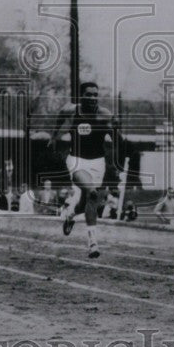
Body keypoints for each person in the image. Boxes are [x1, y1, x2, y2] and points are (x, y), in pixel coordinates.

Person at [49, 82, 117, 259]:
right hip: (76, 161)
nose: (93, 98)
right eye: (89, 94)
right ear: (81, 96)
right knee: (92, 193)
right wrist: (54, 136)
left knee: (86, 202)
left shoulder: (104, 114)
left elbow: (114, 133)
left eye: (96, 95)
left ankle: (70, 215)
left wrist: (115, 136)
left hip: (97, 163)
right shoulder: (70, 110)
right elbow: (60, 118)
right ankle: (92, 242)